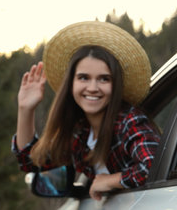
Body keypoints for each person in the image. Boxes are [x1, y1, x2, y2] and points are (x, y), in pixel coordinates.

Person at [12, 21, 160, 201]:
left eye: (104, 79)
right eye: (83, 78)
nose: (92, 87)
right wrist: (26, 109)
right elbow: (33, 162)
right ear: (71, 83)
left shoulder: (130, 121)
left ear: (116, 86)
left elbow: (156, 165)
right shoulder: (80, 132)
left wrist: (111, 181)